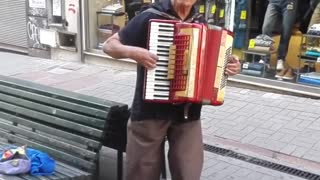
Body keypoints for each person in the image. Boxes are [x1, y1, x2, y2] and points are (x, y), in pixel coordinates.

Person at [103, 0, 240, 180]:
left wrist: (229, 66)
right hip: (150, 113)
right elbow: (109, 45)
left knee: (189, 173)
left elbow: (210, 63)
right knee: (142, 175)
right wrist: (134, 52)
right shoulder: (150, 16)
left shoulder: (200, 21)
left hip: (187, 114)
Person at [262, 0, 298, 80]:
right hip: (274, 1)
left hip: (289, 2)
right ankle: (265, 59)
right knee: (266, 27)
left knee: (286, 30)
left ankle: (281, 59)